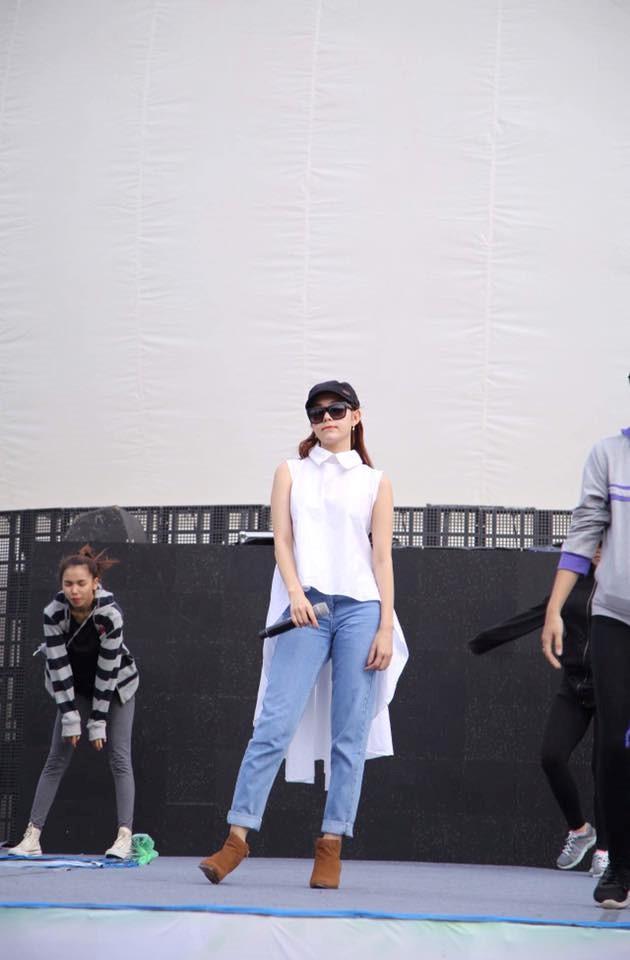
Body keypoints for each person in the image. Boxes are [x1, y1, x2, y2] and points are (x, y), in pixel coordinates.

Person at [199, 380, 408, 888]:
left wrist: (385, 625)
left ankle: (331, 844)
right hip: (306, 604)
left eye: (336, 410)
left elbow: (381, 557)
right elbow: (283, 541)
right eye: (317, 413)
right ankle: (236, 839)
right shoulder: (290, 472)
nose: (327, 419)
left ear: (356, 415)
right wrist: (294, 592)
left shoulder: (375, 481)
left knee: (349, 733)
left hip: (362, 607)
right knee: (274, 723)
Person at [469, 553, 608, 877]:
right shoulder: (571, 584)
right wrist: (485, 641)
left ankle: (606, 850)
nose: (599, 549)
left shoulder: (621, 585)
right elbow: (539, 615)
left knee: (605, 769)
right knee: (552, 757)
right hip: (574, 685)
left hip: (612, 689)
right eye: (595, 543)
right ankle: (580, 830)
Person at [542, 421, 630, 908]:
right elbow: (584, 531)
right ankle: (618, 863)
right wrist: (554, 608)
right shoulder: (608, 454)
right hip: (615, 615)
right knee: (613, 747)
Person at [8, 545, 139, 859]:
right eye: (68, 584)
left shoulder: (110, 615)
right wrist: (71, 717)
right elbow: (57, 666)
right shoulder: (53, 613)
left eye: (81, 583)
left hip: (116, 686)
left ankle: (124, 837)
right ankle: (32, 837)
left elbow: (108, 670)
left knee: (119, 758)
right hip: (74, 687)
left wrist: (97, 721)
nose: (75, 590)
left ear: (95, 582)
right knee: (56, 759)